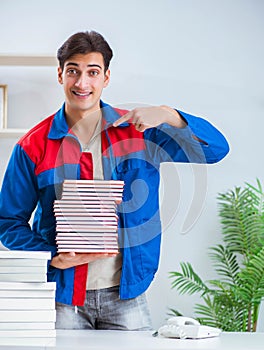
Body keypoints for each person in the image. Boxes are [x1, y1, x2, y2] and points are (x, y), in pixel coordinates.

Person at [0, 31, 229, 330]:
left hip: (126, 297)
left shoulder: (140, 132)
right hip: (62, 297)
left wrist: (168, 114)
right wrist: (51, 257)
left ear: (106, 77)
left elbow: (215, 150)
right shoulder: (33, 145)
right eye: (73, 71)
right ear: (60, 75)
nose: (82, 83)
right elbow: (7, 221)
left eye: (92, 72)